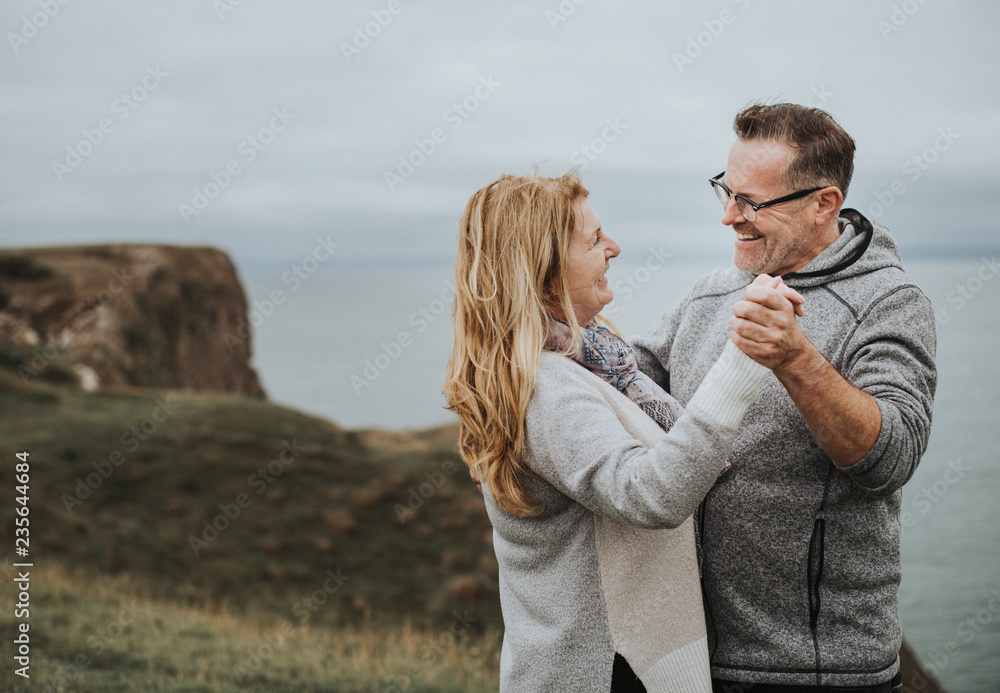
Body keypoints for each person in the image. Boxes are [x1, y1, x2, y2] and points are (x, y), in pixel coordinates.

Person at [443, 171, 802, 692]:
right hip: (606, 673)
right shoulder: (548, 389)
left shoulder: (588, 363)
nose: (613, 247)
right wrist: (744, 363)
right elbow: (651, 495)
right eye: (592, 240)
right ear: (543, 275)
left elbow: (632, 383)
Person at [633, 103, 937, 692]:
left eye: (750, 202)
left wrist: (796, 358)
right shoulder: (710, 293)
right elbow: (628, 382)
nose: (728, 217)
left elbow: (891, 459)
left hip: (819, 670)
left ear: (824, 203)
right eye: (725, 190)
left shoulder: (891, 302)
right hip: (687, 657)